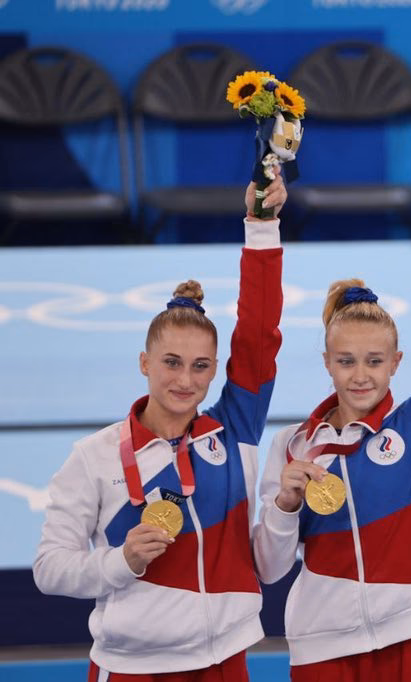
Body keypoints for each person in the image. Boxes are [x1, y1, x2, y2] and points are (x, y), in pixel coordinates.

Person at [252, 158, 411, 681]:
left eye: (374, 361)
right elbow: (271, 569)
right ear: (326, 363)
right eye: (346, 361)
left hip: (402, 637)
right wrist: (283, 505)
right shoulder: (294, 447)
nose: (360, 376)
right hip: (318, 645)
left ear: (396, 363)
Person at [33, 174, 287, 681]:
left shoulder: (232, 431)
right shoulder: (95, 455)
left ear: (215, 370)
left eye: (199, 366)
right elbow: (49, 568)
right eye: (171, 363)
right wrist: (120, 562)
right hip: (134, 668)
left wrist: (263, 225)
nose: (185, 380)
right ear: (144, 362)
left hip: (225, 661)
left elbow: (259, 336)